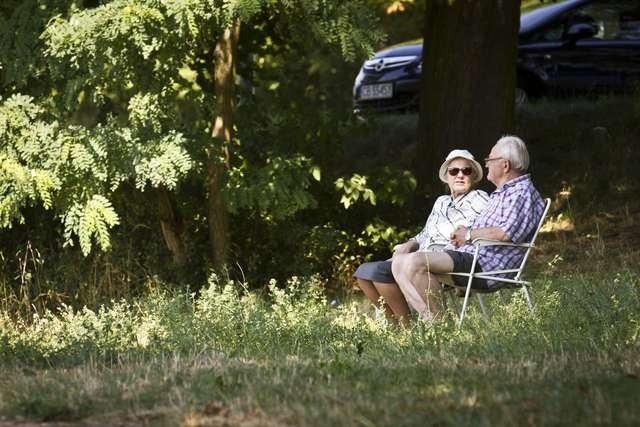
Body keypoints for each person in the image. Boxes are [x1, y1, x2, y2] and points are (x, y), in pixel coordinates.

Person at [391, 136, 545, 322]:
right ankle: (431, 319)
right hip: (472, 256)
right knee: (399, 262)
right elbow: (491, 228)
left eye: (490, 159)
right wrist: (465, 233)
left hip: (486, 266)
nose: (486, 164)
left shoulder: (521, 193)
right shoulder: (503, 193)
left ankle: (440, 323)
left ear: (505, 166)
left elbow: (506, 232)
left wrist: (469, 234)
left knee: (414, 261)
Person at [353, 149, 489, 325]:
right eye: (454, 171)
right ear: (446, 176)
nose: (460, 175)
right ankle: (396, 324)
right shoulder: (442, 201)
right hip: (420, 253)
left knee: (379, 272)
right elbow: (425, 233)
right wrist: (410, 243)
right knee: (363, 273)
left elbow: (483, 230)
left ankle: (406, 326)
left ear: (474, 176)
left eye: (466, 171)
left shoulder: (479, 198)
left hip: (444, 258)